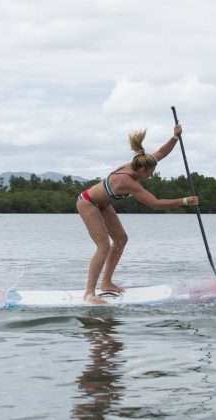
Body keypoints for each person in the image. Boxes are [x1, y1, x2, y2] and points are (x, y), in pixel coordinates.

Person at [76, 124, 199, 304]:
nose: (152, 175)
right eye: (151, 173)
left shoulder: (142, 161)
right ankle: (89, 293)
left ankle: (107, 283)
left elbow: (161, 153)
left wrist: (175, 137)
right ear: (142, 170)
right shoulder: (127, 181)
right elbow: (155, 204)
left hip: (103, 204)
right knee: (103, 246)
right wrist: (184, 201)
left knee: (121, 239)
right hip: (88, 203)